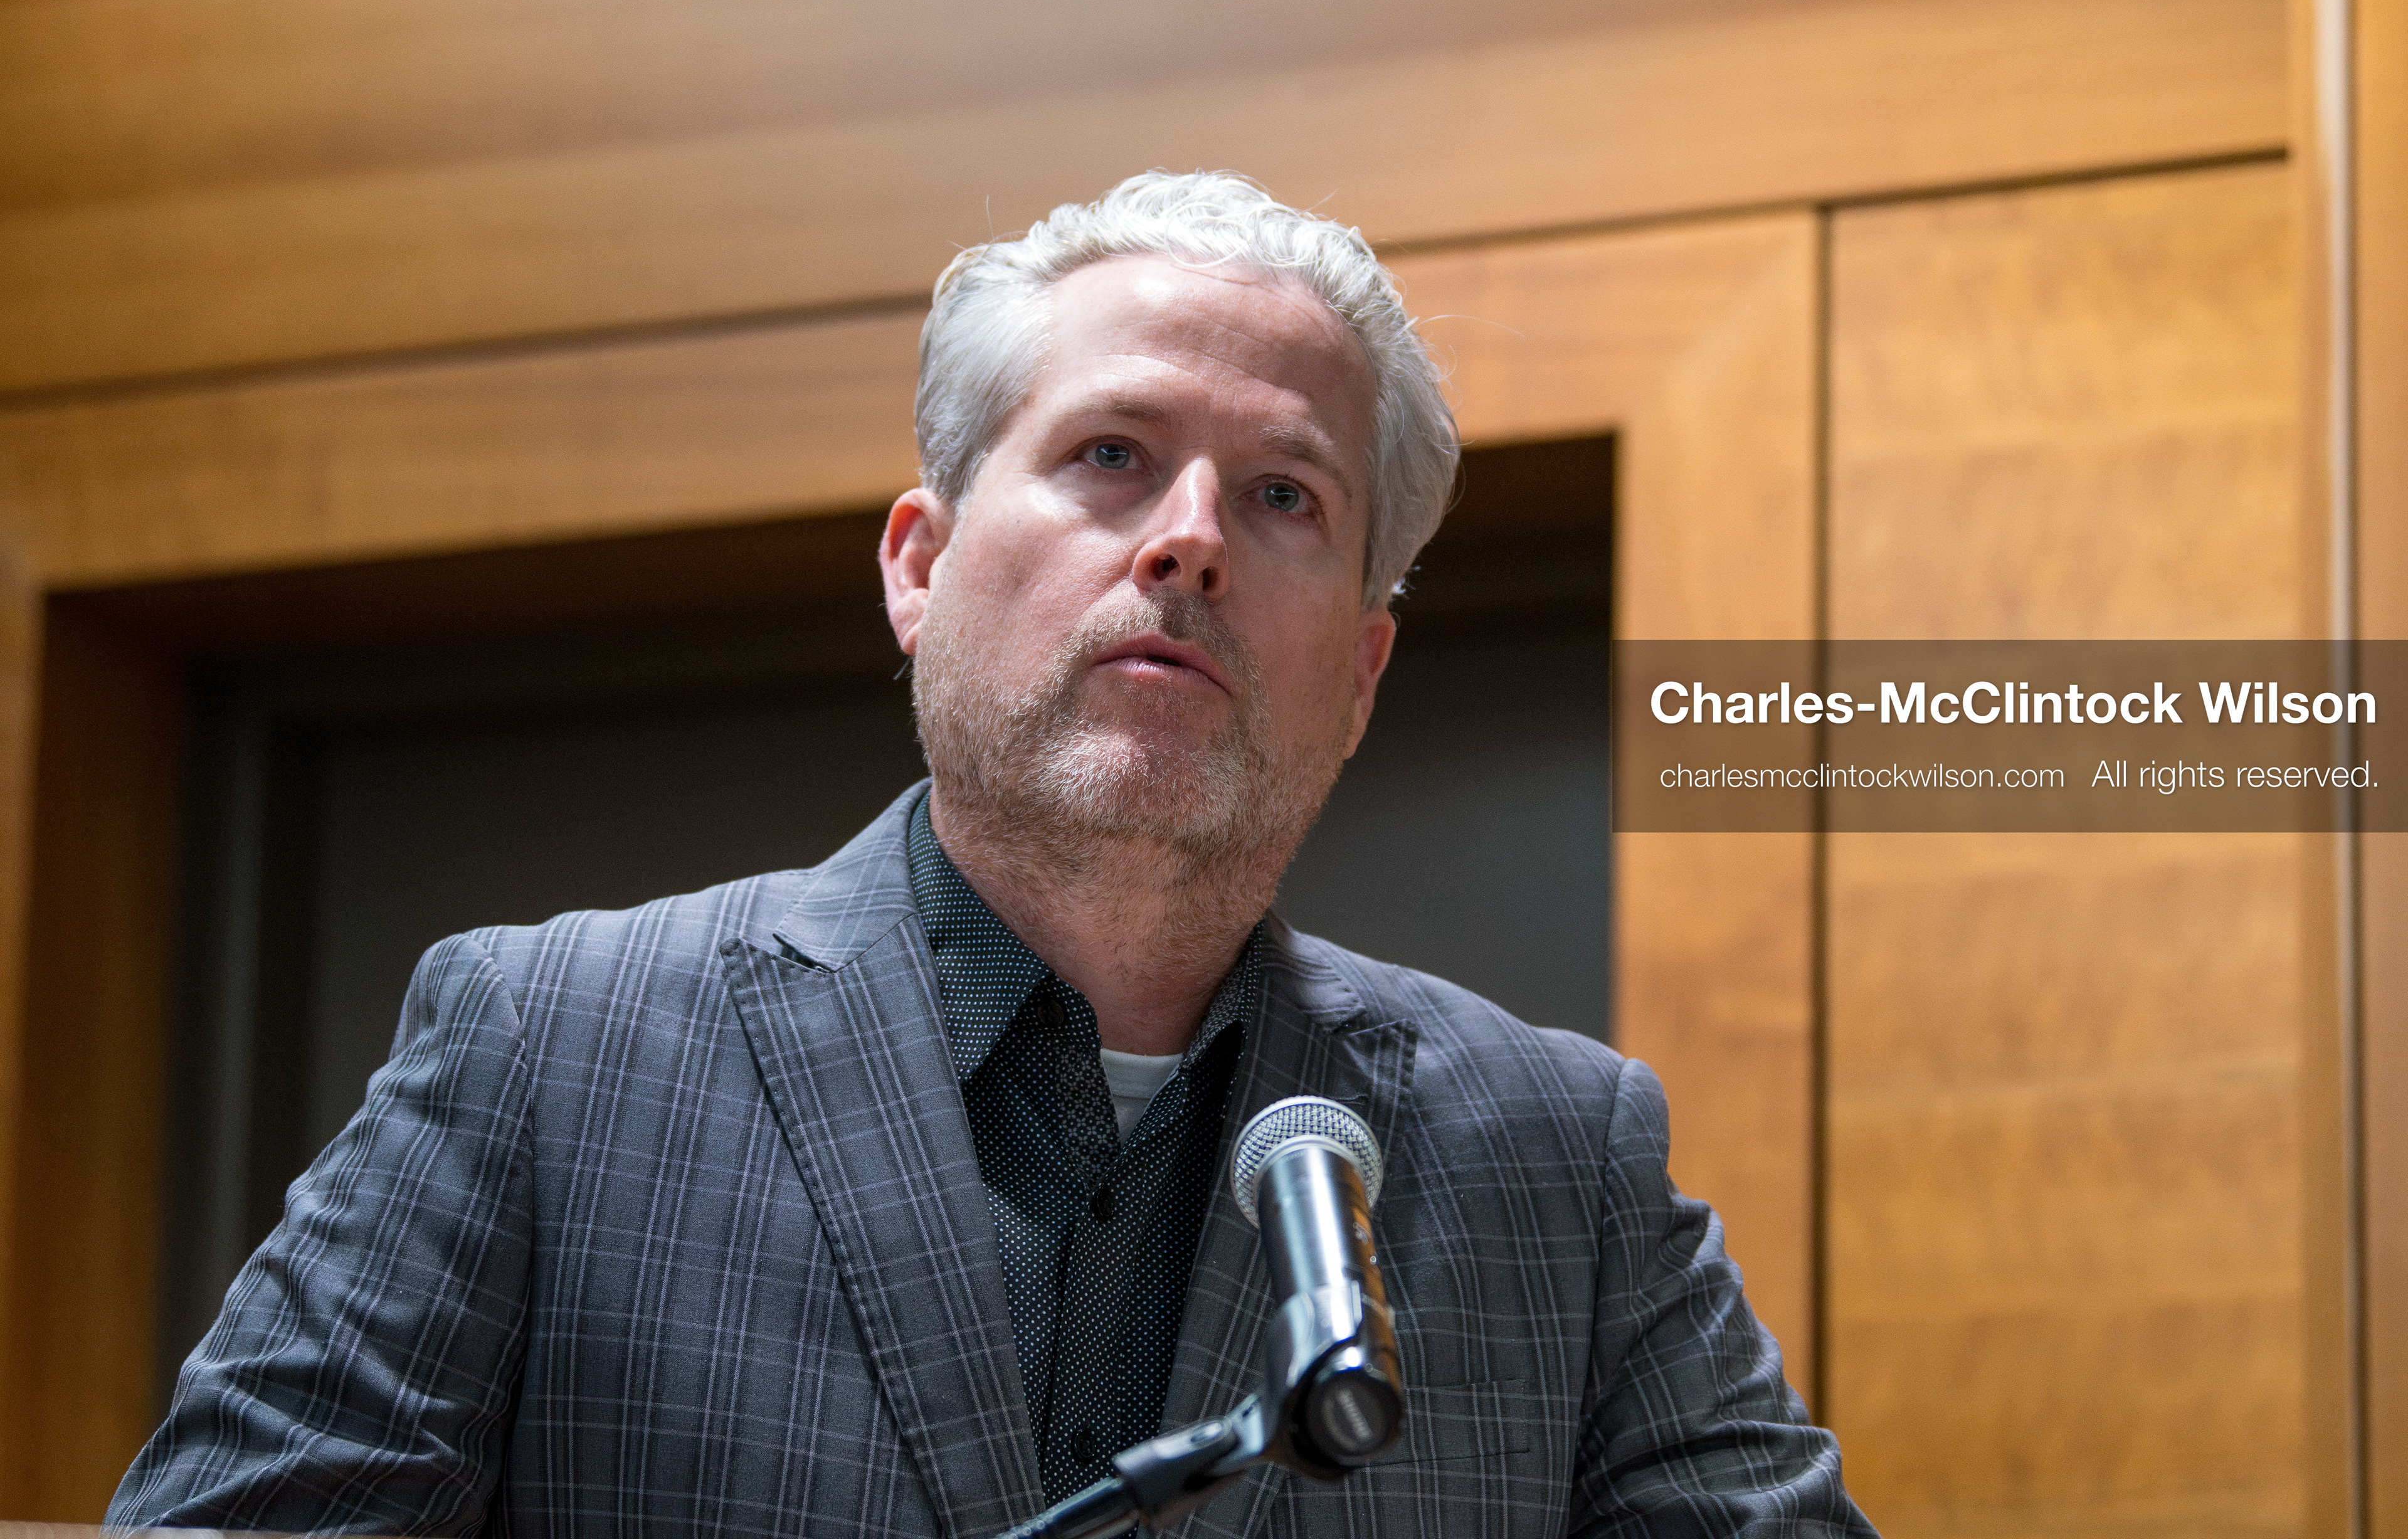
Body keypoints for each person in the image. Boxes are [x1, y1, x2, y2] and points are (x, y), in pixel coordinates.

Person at [112, 172, 1875, 1537]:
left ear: (1359, 668)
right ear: (918, 564)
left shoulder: (1562, 1169)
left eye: (1285, 497)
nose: (1188, 540)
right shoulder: (544, 1056)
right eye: (1113, 455)